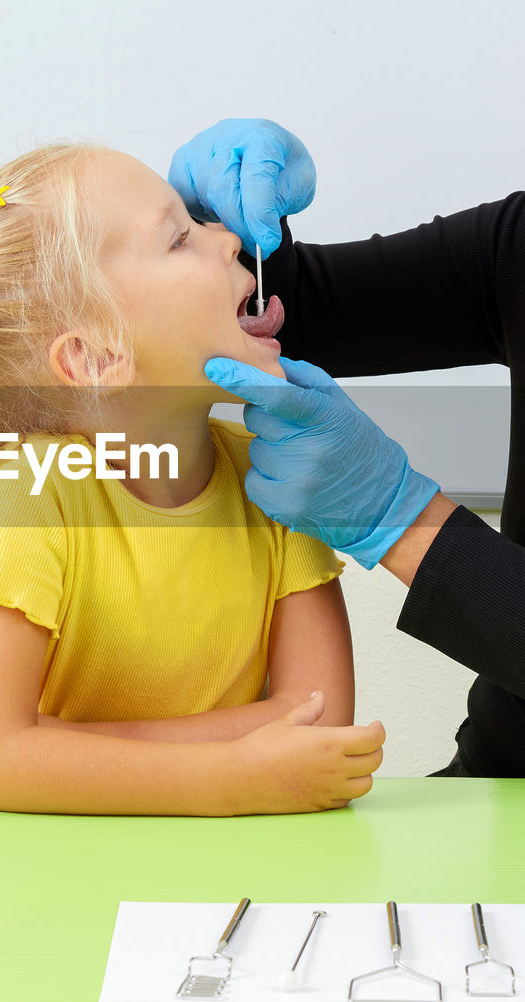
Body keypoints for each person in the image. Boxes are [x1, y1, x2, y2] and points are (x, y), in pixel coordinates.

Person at [0, 142, 385, 816]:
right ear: (95, 357)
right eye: (180, 236)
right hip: (63, 891)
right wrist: (227, 776)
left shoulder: (273, 477)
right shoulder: (32, 494)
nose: (227, 238)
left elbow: (320, 725)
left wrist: (64, 749)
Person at [169, 118, 525, 777]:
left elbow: (312, 722)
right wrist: (238, 241)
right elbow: (296, 313)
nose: (209, 246)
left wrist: (400, 517)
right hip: (497, 789)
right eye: (177, 241)